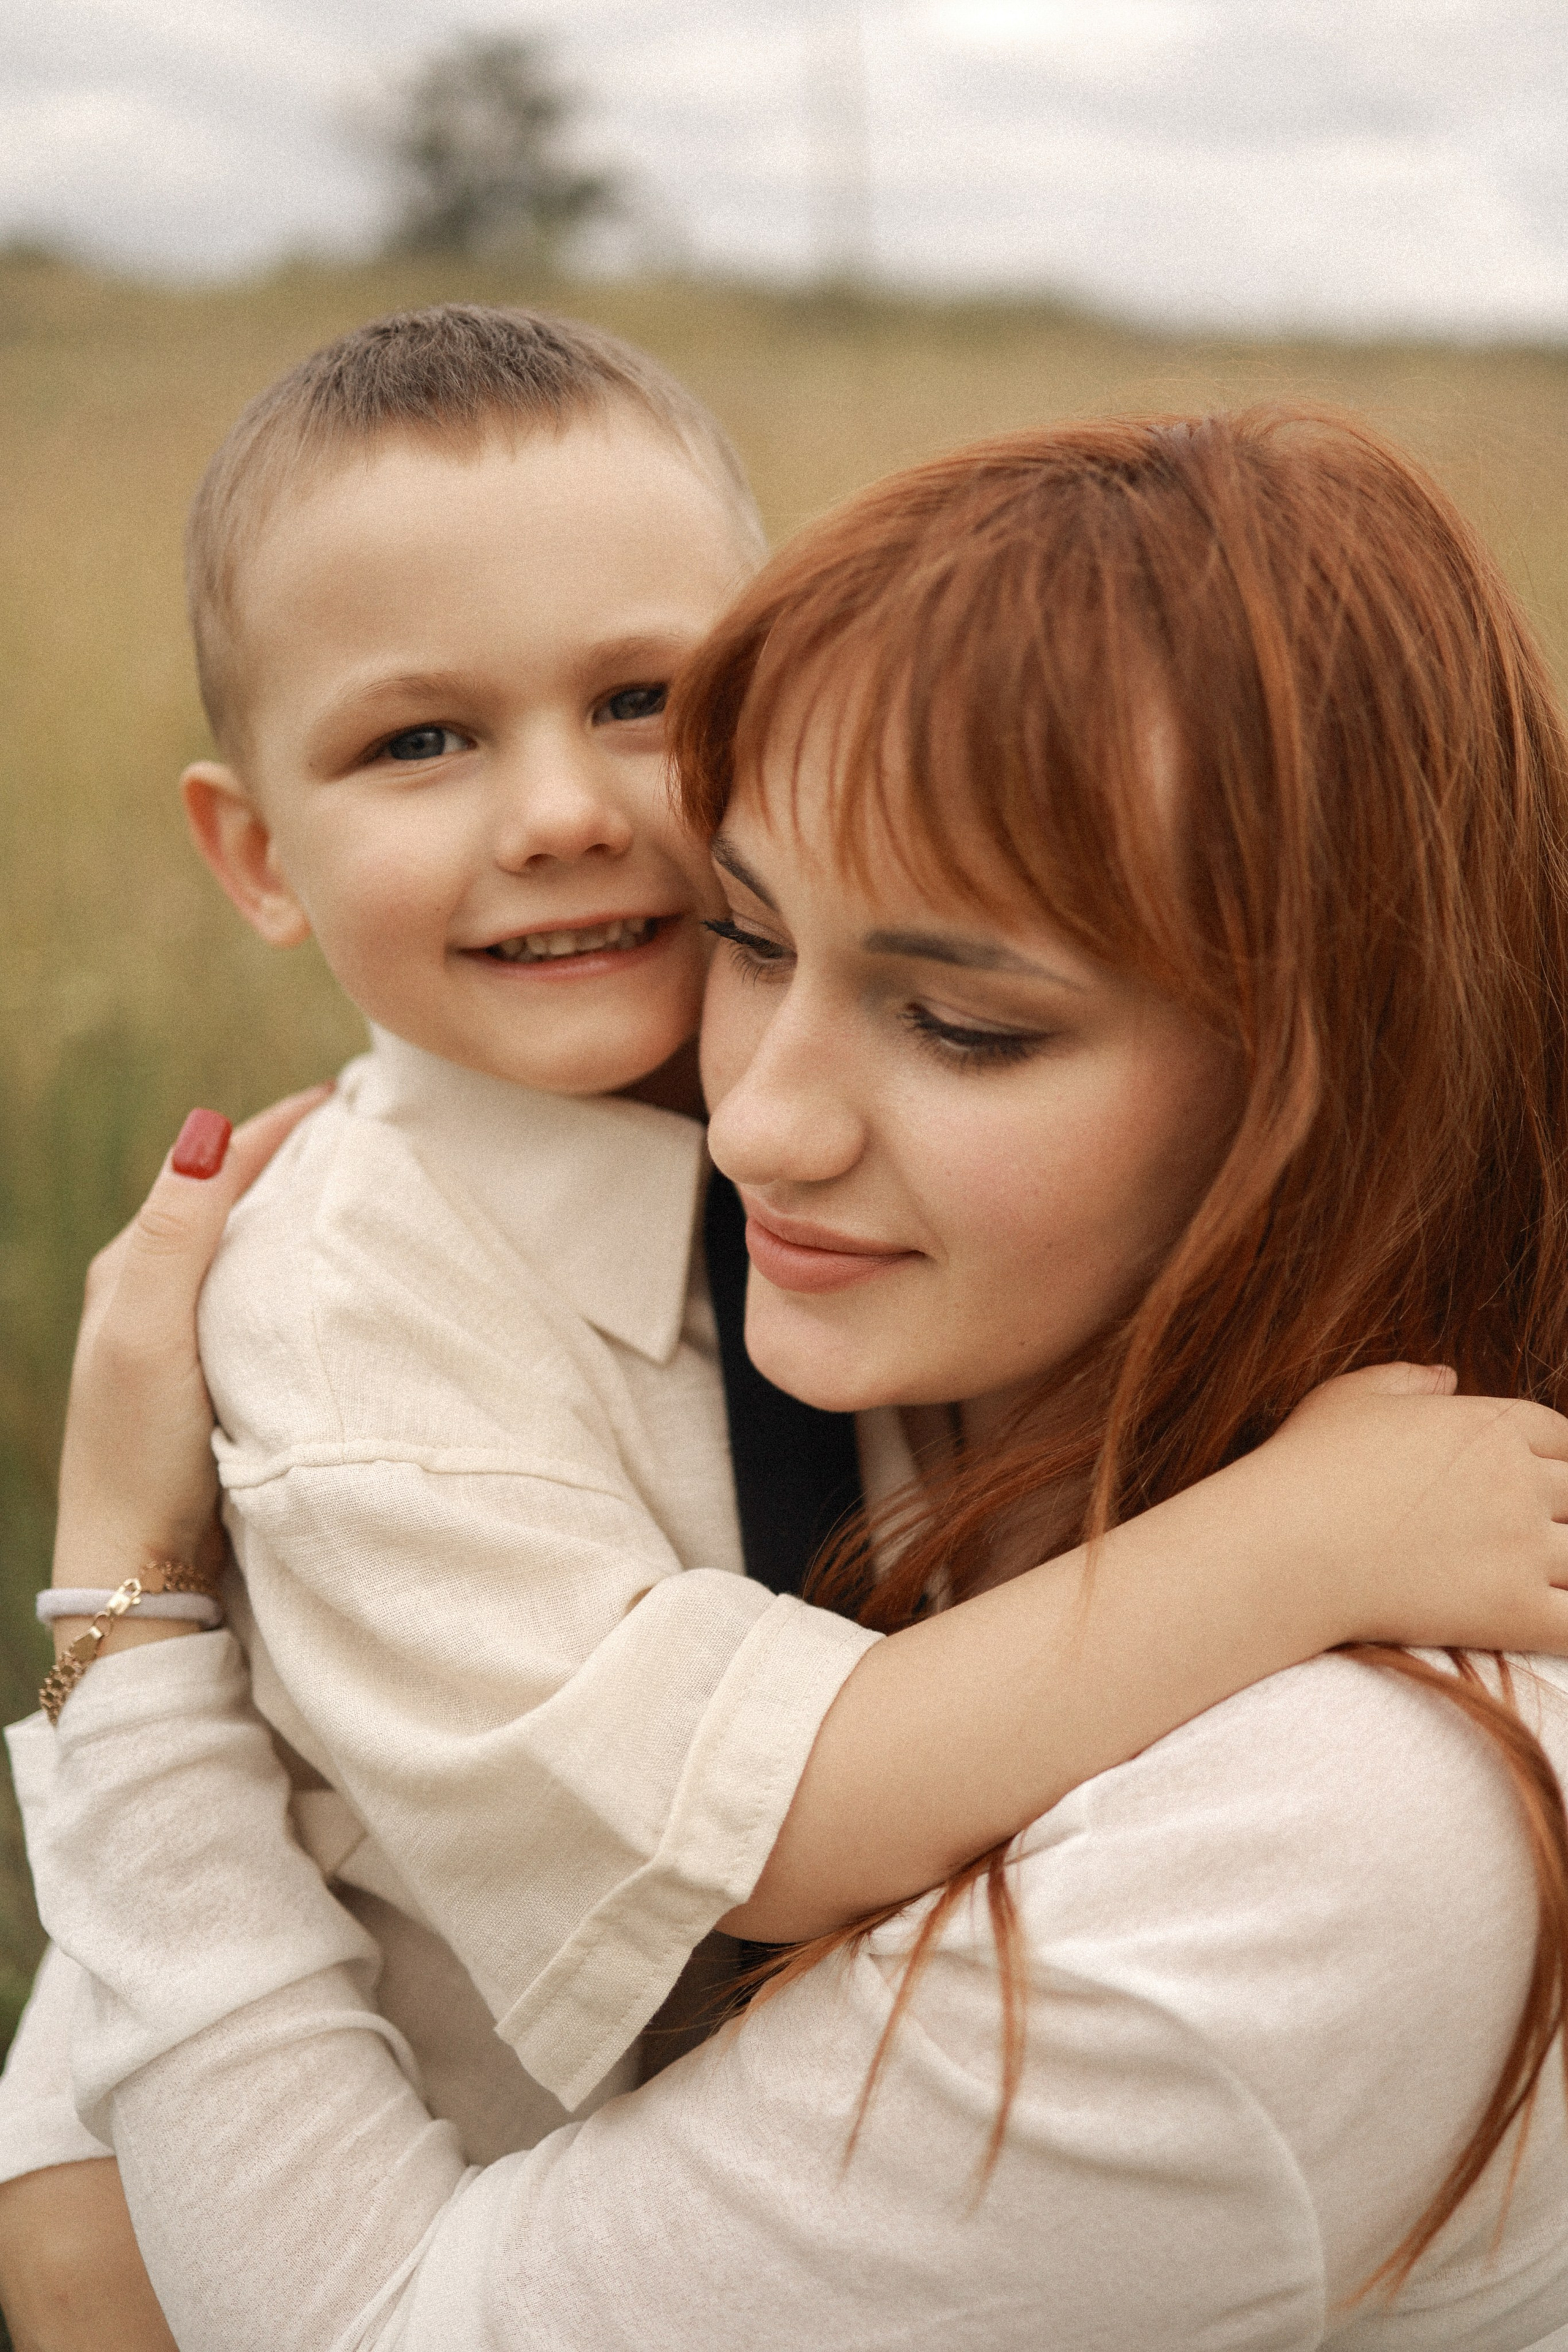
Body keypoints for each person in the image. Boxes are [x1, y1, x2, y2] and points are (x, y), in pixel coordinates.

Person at [6, 322, 1545, 2348]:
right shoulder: (347, 1302)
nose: (562, 812)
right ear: (252, 853)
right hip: (333, 2196)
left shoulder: (1321, 1851)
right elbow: (775, 1824)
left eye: (641, 701)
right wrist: (1301, 1542)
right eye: (420, 742)